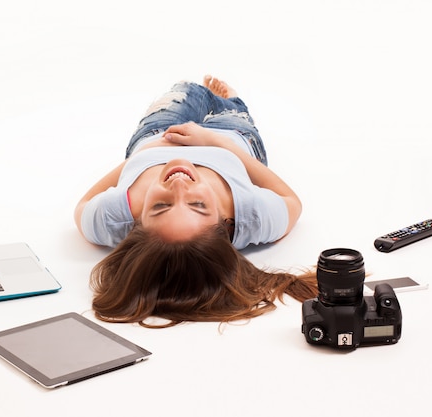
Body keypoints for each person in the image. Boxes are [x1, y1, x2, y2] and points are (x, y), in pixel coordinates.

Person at [74, 76, 317, 328]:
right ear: (226, 224)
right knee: (230, 108)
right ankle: (229, 101)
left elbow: (83, 204)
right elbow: (292, 201)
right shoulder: (249, 214)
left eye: (161, 206)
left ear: (136, 223)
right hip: (229, 135)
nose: (179, 185)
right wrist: (219, 143)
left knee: (187, 90)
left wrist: (145, 154)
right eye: (198, 205)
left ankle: (200, 93)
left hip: (159, 133)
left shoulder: (114, 217)